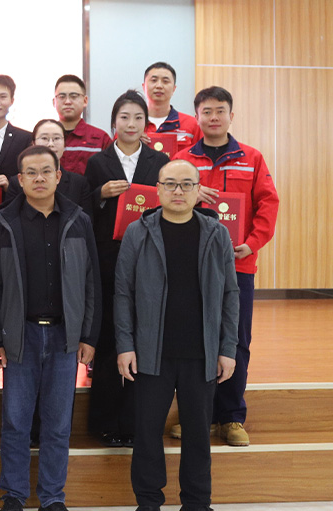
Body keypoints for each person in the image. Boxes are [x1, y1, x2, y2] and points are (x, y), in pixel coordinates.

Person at [116, 159, 239, 511]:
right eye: (170, 184)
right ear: (157, 189)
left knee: (198, 434)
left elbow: (231, 294)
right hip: (150, 352)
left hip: (201, 352)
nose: (178, 191)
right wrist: (125, 345)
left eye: (187, 184)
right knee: (147, 433)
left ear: (199, 190)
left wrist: (227, 348)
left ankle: (197, 503)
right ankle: (148, 503)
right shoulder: (138, 231)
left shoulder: (216, 233)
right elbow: (123, 292)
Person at [0, 145, 100, 511]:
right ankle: (14, 495)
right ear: (20, 180)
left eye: (46, 171)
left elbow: (91, 282)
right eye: (31, 173)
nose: (39, 178)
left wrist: (88, 336)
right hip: (20, 335)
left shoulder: (79, 220)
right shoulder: (2, 223)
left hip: (65, 337)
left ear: (58, 176)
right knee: (15, 421)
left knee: (58, 423)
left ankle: (52, 496)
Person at [172, 86, 279, 446]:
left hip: (238, 265)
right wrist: (189, 193)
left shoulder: (252, 158)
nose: (214, 117)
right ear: (197, 117)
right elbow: (165, 203)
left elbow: (268, 205)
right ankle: (196, 415)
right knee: (193, 341)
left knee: (236, 340)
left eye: (220, 111)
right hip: (191, 266)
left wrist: (253, 243)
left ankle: (231, 417)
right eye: (207, 111)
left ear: (231, 116)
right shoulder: (183, 160)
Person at [85, 91, 170, 448]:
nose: (131, 124)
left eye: (138, 117)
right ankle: (106, 422)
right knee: (109, 340)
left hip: (149, 258)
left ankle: (138, 422)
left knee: (146, 340)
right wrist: (101, 195)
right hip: (108, 259)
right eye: (124, 117)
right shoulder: (97, 163)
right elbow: (83, 210)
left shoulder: (160, 160)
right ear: (113, 122)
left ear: (146, 123)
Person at [2, 120, 92, 220]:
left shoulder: (79, 183)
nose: (50, 144)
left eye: (56, 138)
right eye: (44, 138)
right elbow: (8, 219)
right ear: (33, 143)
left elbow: (86, 222)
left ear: (64, 143)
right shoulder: (16, 183)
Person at [53, 74, 111, 175]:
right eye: (62, 97)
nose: (67, 102)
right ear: (54, 102)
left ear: (85, 101)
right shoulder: (44, 137)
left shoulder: (101, 139)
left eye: (73, 96)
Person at [142, 62, 202, 152]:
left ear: (174, 88)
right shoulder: (132, 124)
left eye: (165, 81)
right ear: (144, 87)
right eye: (154, 80)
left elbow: (202, 156)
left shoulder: (192, 124)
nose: (159, 86)